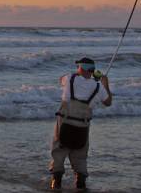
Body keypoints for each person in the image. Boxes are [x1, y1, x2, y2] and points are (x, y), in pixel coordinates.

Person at [48, 57, 112, 190]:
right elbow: (108, 102)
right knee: (80, 155)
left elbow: (61, 79)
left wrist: (78, 74)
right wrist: (105, 83)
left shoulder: (69, 78)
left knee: (59, 151)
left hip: (65, 122)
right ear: (93, 71)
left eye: (78, 67)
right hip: (82, 126)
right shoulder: (98, 86)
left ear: (81, 68)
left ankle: (56, 182)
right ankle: (80, 183)